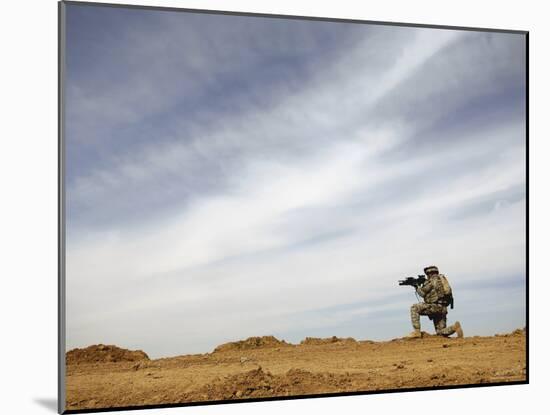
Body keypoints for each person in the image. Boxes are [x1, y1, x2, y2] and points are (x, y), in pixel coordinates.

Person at [407, 265, 463, 339]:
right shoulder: (441, 280)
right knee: (440, 332)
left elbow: (422, 293)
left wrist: (416, 286)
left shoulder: (431, 281)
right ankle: (454, 327)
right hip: (443, 309)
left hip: (435, 307)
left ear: (429, 273)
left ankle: (417, 332)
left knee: (414, 308)